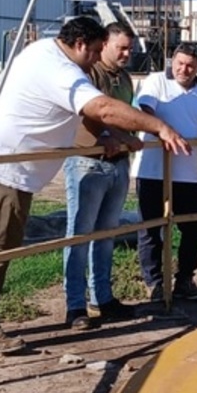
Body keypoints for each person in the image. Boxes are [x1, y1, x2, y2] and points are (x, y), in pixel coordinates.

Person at [0, 16, 189, 355]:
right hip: (4, 165)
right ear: (79, 44)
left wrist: (110, 134)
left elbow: (85, 116)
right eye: (94, 51)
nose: (96, 58)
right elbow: (101, 108)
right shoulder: (60, 70)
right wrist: (160, 128)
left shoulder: (41, 52)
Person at [133, 43, 197, 301]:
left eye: (190, 65)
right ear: (172, 61)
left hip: (187, 174)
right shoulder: (156, 81)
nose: (183, 69)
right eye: (179, 63)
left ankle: (185, 279)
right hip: (153, 170)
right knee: (151, 228)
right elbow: (144, 110)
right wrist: (164, 130)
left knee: (195, 227)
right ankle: (154, 283)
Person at [62, 22, 140, 331]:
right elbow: (90, 114)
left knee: (107, 234)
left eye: (129, 49)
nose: (126, 54)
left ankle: (102, 298)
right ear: (104, 44)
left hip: (119, 162)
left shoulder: (123, 78)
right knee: (80, 234)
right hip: (87, 162)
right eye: (121, 47)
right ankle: (75, 305)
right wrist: (110, 134)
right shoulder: (87, 75)